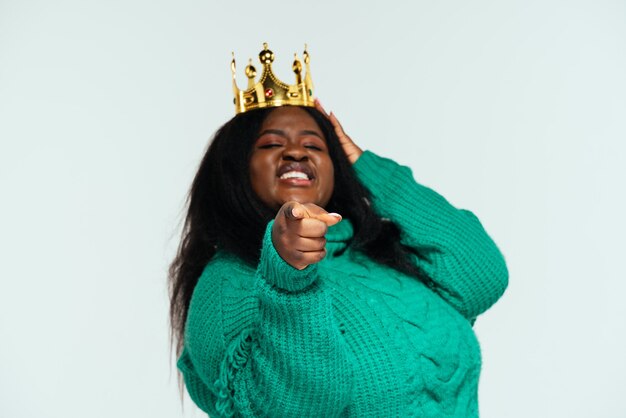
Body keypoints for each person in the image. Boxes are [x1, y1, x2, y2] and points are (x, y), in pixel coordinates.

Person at [169, 44, 508, 417]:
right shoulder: (226, 285)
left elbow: (483, 276)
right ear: (235, 168)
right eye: (271, 143)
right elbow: (292, 407)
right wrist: (288, 275)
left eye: (315, 145)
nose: (296, 152)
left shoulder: (375, 253)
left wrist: (366, 167)